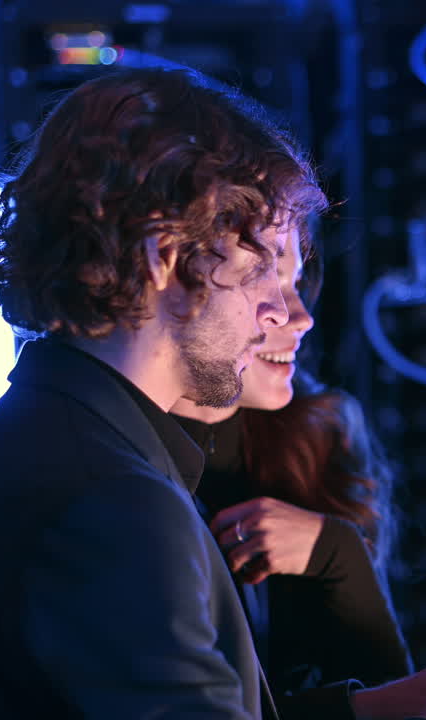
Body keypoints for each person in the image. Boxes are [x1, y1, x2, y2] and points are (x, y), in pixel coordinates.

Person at [0, 67, 426, 720]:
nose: (281, 315)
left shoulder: (54, 428)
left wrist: (382, 710)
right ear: (166, 258)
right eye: (265, 269)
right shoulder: (115, 502)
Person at [170, 239, 412, 704]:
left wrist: (336, 551)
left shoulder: (316, 435)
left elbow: (401, 700)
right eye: (264, 282)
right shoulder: (123, 466)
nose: (300, 318)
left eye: (296, 284)